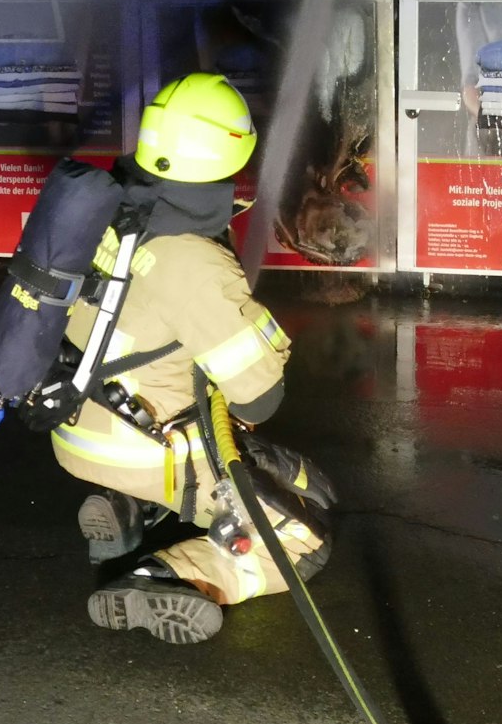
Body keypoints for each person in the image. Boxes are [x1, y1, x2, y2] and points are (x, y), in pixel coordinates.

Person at [37, 72, 334, 644]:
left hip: (71, 427)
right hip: (146, 449)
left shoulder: (104, 210)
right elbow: (259, 399)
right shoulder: (193, 261)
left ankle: (125, 511)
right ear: (234, 154)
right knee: (307, 524)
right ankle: (167, 574)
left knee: (279, 469)